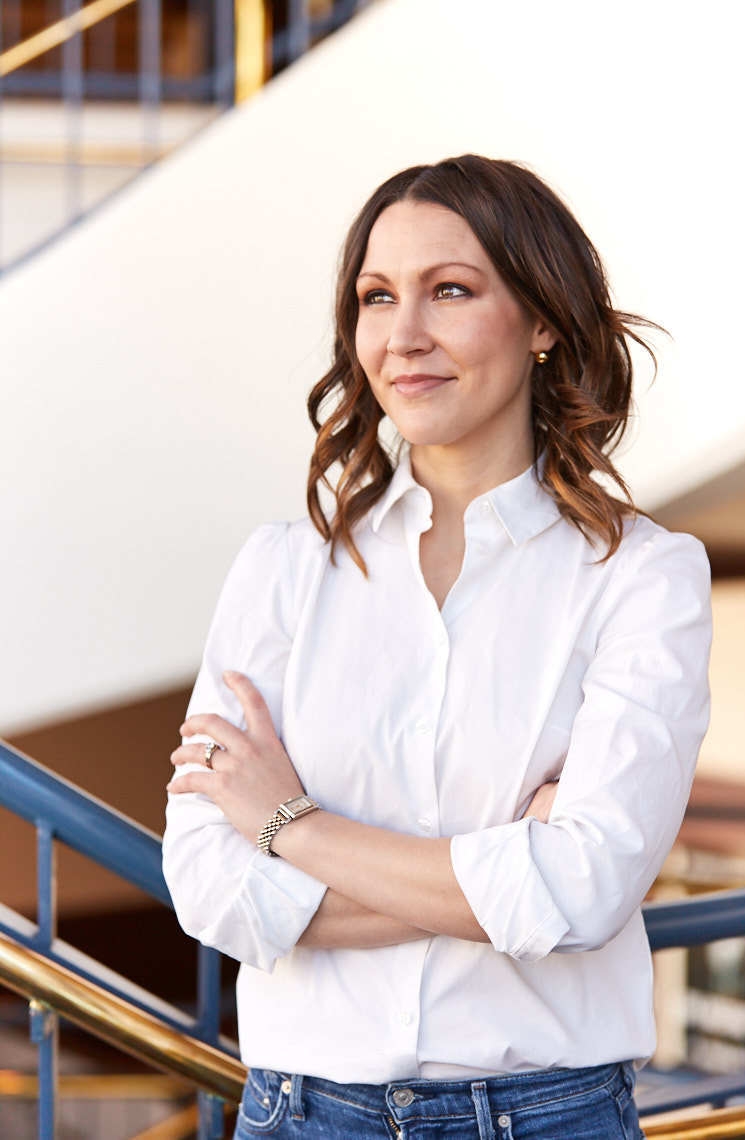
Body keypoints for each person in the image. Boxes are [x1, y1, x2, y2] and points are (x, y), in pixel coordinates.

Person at [162, 155, 712, 1140]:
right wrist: (505, 867)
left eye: (449, 290)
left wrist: (287, 826)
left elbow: (582, 892)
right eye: (378, 297)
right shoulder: (282, 571)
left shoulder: (643, 576)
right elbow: (208, 884)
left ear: (544, 320)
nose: (403, 337)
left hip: (550, 1115)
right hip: (299, 1115)